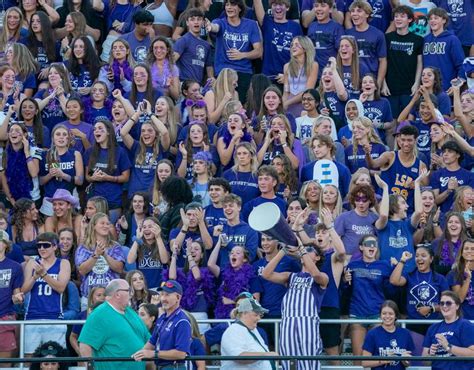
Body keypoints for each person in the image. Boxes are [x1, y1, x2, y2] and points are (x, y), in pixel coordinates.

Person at [262, 242, 328, 370]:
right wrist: (283, 251)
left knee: (310, 362)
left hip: (308, 322)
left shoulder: (323, 276)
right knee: (288, 361)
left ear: (317, 257)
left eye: (309, 249)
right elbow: (266, 274)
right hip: (288, 322)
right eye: (304, 249)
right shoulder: (290, 276)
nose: (304, 251)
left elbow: (316, 275)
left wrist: (301, 250)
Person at [79, 279, 150, 370]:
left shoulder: (130, 311)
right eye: (128, 291)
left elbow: (147, 338)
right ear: (117, 294)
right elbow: (85, 345)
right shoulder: (100, 314)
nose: (131, 294)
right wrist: (90, 368)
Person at [22, 232, 71, 355]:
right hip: (32, 316)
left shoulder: (63, 263)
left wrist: (44, 274)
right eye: (39, 246)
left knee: (54, 358)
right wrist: (34, 278)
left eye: (46, 245)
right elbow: (24, 290)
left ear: (55, 247)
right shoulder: (32, 264)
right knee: (30, 358)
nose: (42, 249)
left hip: (54, 317)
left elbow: (60, 288)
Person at [132, 280, 192, 370]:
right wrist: (138, 354)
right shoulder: (162, 318)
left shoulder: (182, 321)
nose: (163, 298)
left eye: (167, 295)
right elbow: (152, 342)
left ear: (178, 297)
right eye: (162, 294)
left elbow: (181, 354)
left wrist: (153, 354)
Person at [220, 297, 278, 370]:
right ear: (244, 313)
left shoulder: (253, 330)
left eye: (260, 315)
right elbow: (238, 357)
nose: (259, 318)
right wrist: (265, 355)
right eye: (256, 315)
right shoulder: (234, 330)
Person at [422, 290, 474, 370]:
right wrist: (430, 353)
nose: (444, 306)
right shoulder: (433, 328)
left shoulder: (465, 325)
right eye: (442, 303)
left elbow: (472, 354)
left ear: (457, 306)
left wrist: (448, 347)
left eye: (448, 303)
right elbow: (425, 362)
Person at [361, 300, 414, 369]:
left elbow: (408, 364)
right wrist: (385, 360)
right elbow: (365, 363)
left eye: (390, 314)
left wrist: (404, 360)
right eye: (384, 313)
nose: (387, 316)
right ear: (380, 315)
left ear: (396, 316)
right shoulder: (372, 334)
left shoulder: (405, 334)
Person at [422, 8, 464, 91]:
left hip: (446, 88)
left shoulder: (452, 39)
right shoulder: (425, 40)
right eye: (430, 19)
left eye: (436, 18)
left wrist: (456, 86)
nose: (432, 21)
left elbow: (461, 65)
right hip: (428, 89)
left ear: (444, 20)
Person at [0, 230, 23, 365]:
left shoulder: (15, 267)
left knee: (5, 364)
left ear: (5, 244)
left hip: (5, 317)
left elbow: (16, 292)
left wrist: (17, 298)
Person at [172, 8, 213, 84]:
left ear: (203, 22)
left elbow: (209, 68)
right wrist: (176, 81)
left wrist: (212, 79)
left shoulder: (206, 45)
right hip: (183, 84)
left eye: (199, 19)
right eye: (192, 19)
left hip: (198, 87)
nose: (196, 22)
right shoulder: (183, 40)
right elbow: (171, 61)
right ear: (187, 22)